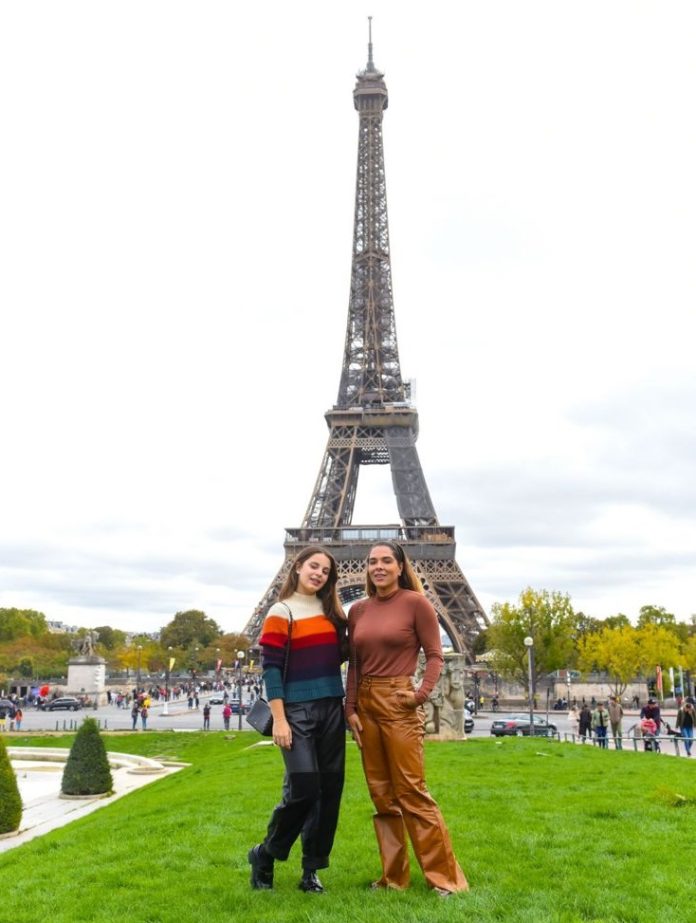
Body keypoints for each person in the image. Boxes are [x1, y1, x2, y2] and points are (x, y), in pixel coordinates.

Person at [346, 541, 468, 898]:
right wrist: (350, 709)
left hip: (399, 701)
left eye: (386, 560)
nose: (378, 567)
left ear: (401, 567)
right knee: (382, 795)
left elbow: (435, 655)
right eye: (373, 561)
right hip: (366, 703)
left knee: (412, 792)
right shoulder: (358, 610)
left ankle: (445, 880)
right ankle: (393, 878)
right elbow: (354, 664)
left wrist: (419, 695)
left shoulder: (416, 603)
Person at [248, 546, 347, 894]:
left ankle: (311, 870)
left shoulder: (332, 613)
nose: (318, 573)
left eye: (325, 570)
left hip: (331, 707)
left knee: (329, 791)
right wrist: (279, 719)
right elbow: (271, 668)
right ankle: (265, 853)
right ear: (298, 567)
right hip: (296, 711)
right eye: (313, 566)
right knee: (304, 788)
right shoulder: (282, 610)